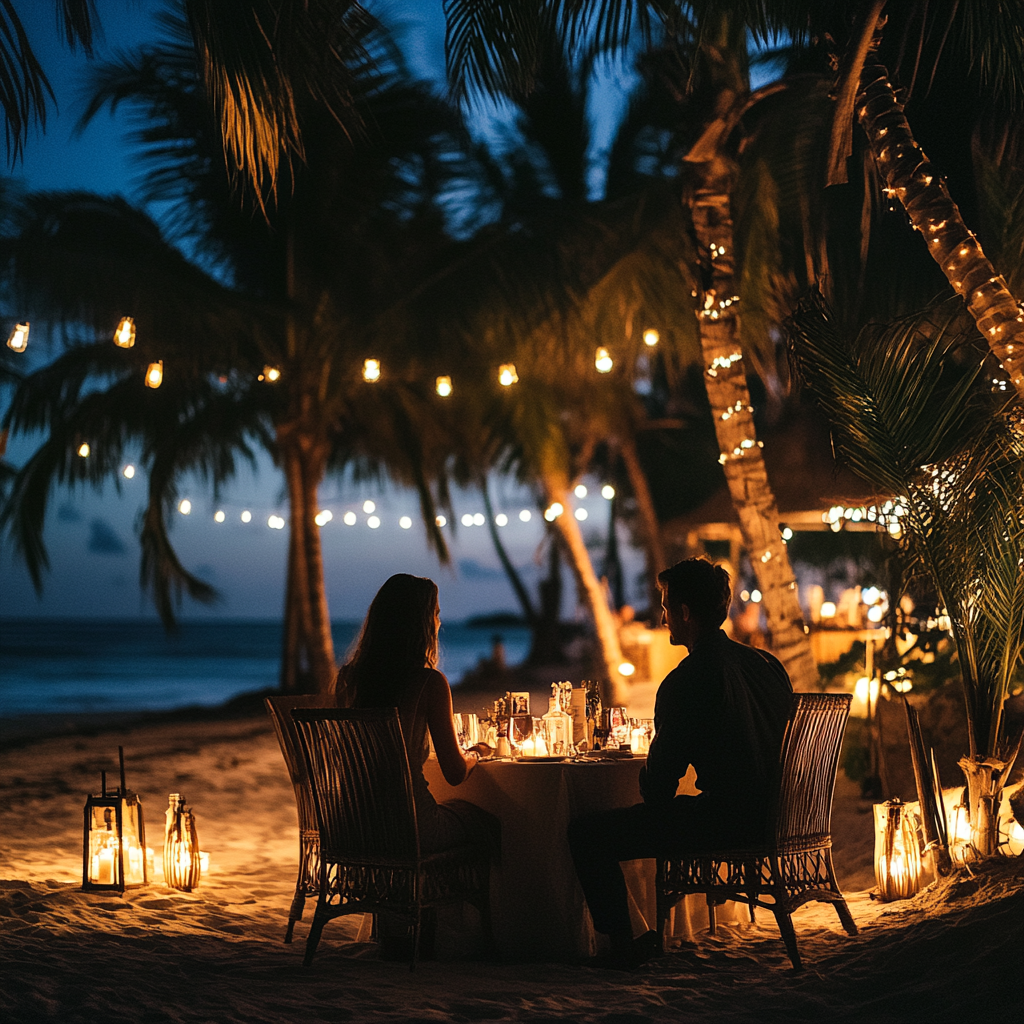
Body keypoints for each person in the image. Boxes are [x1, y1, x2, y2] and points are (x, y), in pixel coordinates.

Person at [568, 558, 793, 970]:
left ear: (685, 613)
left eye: (667, 606)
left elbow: (658, 790)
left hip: (728, 822)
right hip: (786, 818)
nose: (663, 615)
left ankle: (622, 947)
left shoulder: (688, 679)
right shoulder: (765, 665)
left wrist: (644, 768)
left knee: (588, 833)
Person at [331, 574, 496, 956]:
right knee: (484, 821)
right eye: (436, 614)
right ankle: (470, 939)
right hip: (409, 828)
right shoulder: (428, 683)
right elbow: (455, 774)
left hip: (352, 825)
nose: (439, 621)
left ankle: (396, 930)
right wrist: (476, 753)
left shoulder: (350, 680)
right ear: (422, 623)